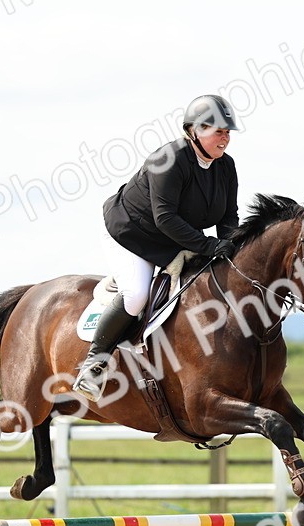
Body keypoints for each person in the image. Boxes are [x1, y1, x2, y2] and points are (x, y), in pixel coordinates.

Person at [72, 94, 242, 401]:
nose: (225, 138)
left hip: (175, 240)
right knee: (137, 294)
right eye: (219, 131)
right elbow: (165, 217)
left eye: (228, 132)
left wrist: (232, 246)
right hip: (130, 234)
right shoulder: (170, 159)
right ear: (194, 130)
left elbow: (229, 216)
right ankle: (93, 365)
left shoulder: (225, 167)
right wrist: (208, 245)